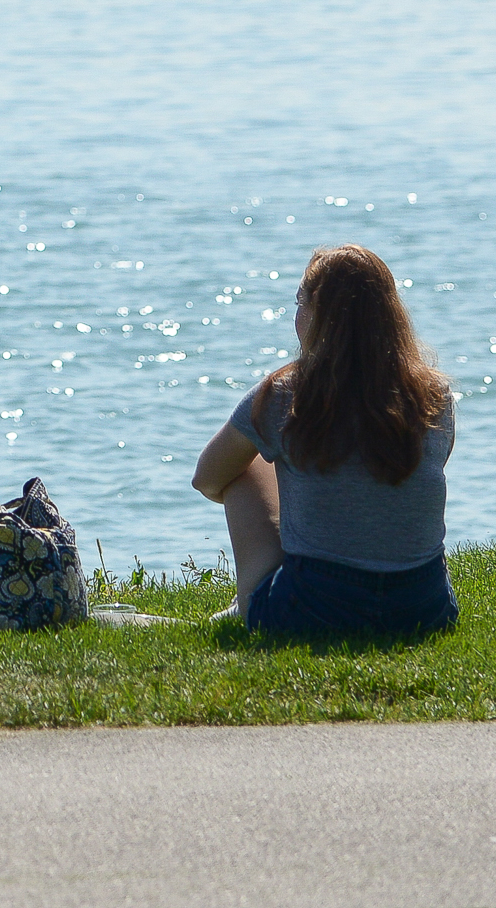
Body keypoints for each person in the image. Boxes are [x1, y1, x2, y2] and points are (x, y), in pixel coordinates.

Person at [192, 244, 459, 641]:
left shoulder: (283, 395)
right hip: (425, 610)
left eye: (301, 301)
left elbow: (207, 478)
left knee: (245, 469)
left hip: (312, 614)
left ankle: (250, 600)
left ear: (318, 316)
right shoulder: (434, 395)